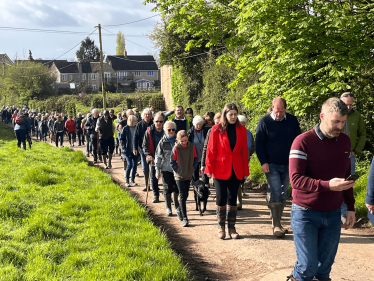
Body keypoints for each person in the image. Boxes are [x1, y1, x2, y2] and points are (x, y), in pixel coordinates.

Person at [286, 97, 355, 281]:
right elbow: (295, 180)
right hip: (305, 212)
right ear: (322, 116)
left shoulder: (345, 142)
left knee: (323, 270)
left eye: (342, 122)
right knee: (307, 267)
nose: (339, 127)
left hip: (333, 213)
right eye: (335, 122)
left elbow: (346, 176)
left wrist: (350, 207)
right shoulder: (302, 141)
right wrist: (327, 185)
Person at [255, 97, 301, 237]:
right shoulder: (264, 121)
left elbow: (299, 141)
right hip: (271, 163)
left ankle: (278, 219)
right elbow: (259, 144)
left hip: (288, 163)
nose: (279, 114)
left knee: (283, 192)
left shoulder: (292, 121)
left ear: (285, 109)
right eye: (276, 111)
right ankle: (276, 225)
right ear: (272, 108)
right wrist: (263, 162)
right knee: (276, 190)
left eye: (281, 111)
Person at [205, 103, 249, 239]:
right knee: (221, 197)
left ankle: (232, 227)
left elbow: (244, 151)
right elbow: (211, 150)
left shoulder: (242, 130)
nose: (234, 117)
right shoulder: (216, 129)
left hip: (236, 169)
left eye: (236, 114)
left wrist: (245, 172)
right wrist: (209, 169)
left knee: (232, 198)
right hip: (219, 169)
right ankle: (221, 226)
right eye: (231, 114)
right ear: (225, 115)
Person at [340, 92, 366, 223]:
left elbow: (362, 134)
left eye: (351, 104)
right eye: (346, 104)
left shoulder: (357, 116)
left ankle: (344, 212)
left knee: (348, 182)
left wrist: (357, 150)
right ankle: (334, 209)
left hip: (350, 155)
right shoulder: (335, 115)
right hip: (334, 154)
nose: (349, 107)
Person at [170, 130, 198, 227]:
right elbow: (172, 162)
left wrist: (193, 168)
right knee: (182, 195)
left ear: (188, 138)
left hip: (188, 173)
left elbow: (196, 158)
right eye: (182, 141)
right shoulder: (176, 148)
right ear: (178, 140)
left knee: (186, 194)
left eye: (185, 140)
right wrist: (177, 170)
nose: (184, 143)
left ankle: (179, 209)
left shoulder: (192, 147)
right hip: (179, 175)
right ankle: (185, 218)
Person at [155, 121, 182, 219]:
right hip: (166, 169)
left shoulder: (179, 140)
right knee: (167, 188)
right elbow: (158, 157)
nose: (171, 131)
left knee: (176, 189)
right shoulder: (162, 142)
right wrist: (157, 170)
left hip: (178, 169)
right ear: (165, 131)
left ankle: (177, 206)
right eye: (169, 130)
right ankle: (168, 208)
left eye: (173, 129)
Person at [142, 112, 165, 203]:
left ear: (163, 122)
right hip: (153, 158)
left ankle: (168, 195)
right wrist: (148, 155)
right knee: (153, 177)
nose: (158, 123)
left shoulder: (168, 130)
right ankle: (156, 195)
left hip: (165, 158)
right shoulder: (148, 131)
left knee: (167, 178)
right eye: (157, 121)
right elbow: (144, 146)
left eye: (160, 121)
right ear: (153, 121)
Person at [237, 115, 255, 210]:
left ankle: (240, 196)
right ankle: (238, 201)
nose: (242, 126)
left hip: (245, 159)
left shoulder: (248, 133)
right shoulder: (234, 132)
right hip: (236, 160)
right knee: (237, 181)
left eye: (244, 124)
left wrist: (248, 154)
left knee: (241, 179)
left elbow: (252, 146)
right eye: (241, 124)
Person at [133, 108, 153, 191]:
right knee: (145, 167)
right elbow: (135, 137)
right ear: (143, 116)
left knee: (153, 167)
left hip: (153, 149)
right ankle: (146, 185)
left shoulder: (154, 124)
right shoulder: (139, 125)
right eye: (145, 114)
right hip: (142, 149)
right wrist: (135, 148)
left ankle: (154, 184)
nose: (147, 116)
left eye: (149, 114)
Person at [188, 115, 210, 185]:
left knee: (204, 171)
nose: (199, 126)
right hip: (195, 155)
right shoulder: (190, 132)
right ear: (194, 124)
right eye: (197, 124)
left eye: (200, 124)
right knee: (195, 172)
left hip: (204, 155)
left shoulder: (206, 130)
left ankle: (205, 185)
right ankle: (196, 186)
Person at [201, 112, 221, 183]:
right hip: (214, 160)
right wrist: (203, 164)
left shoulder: (227, 131)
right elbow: (205, 147)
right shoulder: (211, 131)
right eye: (216, 123)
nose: (218, 125)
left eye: (220, 123)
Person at [120, 115, 138, 187]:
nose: (136, 122)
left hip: (135, 150)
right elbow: (122, 139)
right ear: (131, 121)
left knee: (135, 165)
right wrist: (124, 147)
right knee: (129, 164)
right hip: (127, 150)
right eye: (135, 121)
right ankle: (127, 180)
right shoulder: (125, 128)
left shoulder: (137, 128)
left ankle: (132, 180)